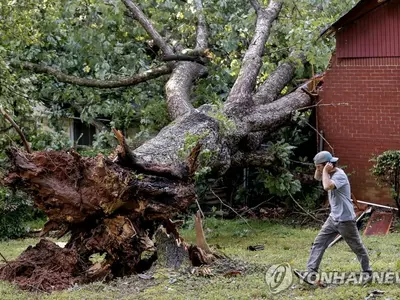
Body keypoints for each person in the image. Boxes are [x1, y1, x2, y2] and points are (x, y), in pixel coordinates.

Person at [295, 151, 372, 284]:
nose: (317, 169)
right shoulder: (327, 173)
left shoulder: (339, 175)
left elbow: (327, 186)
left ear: (327, 165)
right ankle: (311, 273)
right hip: (333, 218)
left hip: (345, 219)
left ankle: (367, 273)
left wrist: (324, 170)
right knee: (319, 243)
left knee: (357, 247)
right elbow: (318, 178)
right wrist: (321, 170)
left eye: (318, 166)